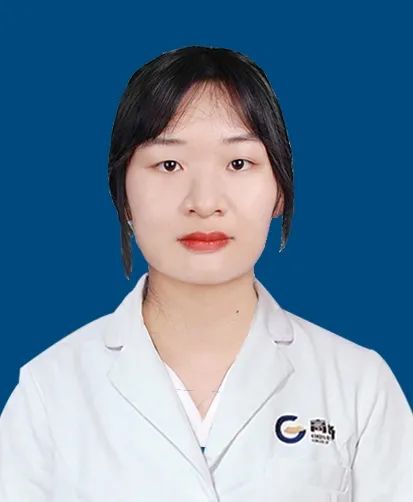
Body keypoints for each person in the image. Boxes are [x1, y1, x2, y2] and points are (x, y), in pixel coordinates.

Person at [0, 45, 411, 501]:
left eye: (238, 163)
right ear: (123, 194)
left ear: (278, 189)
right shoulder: (50, 391)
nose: (204, 201)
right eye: (169, 165)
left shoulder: (358, 386)